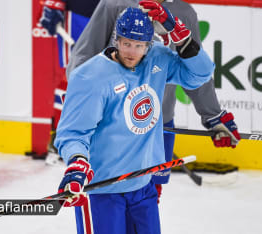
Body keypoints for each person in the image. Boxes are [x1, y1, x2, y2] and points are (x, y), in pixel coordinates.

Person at [55, 6, 215, 233]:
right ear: (116, 40)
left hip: (142, 185)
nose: (131, 51)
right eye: (126, 43)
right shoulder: (90, 77)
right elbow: (73, 133)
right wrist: (77, 161)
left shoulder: (157, 59)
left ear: (148, 45)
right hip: (102, 190)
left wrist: (182, 37)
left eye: (139, 45)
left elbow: (201, 74)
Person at [66, 0, 241, 194]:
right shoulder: (114, 4)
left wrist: (212, 116)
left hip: (157, 125)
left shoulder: (183, 12)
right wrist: (81, 99)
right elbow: (83, 55)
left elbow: (192, 67)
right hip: (113, 127)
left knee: (149, 198)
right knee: (109, 198)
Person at [39, 0, 100, 165]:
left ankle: (103, 143)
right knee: (71, 77)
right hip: (79, 14)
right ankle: (60, 142)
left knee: (109, 76)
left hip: (116, 10)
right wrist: (54, 3)